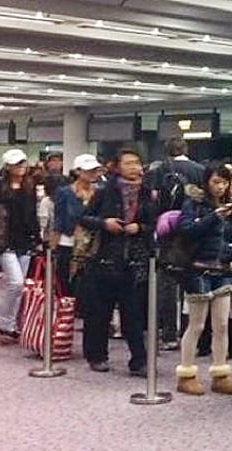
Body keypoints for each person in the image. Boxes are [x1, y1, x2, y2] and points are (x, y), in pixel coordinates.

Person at [78, 149, 154, 375]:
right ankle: (97, 355)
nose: (134, 167)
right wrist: (105, 223)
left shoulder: (148, 193)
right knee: (100, 312)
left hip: (135, 260)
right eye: (128, 163)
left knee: (134, 313)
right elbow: (84, 218)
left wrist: (139, 227)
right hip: (105, 258)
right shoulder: (104, 192)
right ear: (118, 167)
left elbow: (156, 222)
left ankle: (139, 360)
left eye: (137, 163)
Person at [174, 164, 232, 396]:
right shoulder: (193, 203)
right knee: (197, 325)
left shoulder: (229, 205)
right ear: (206, 182)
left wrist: (230, 252)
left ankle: (220, 373)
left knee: (222, 325)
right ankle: (186, 374)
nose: (220, 187)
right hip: (197, 268)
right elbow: (187, 231)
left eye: (224, 182)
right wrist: (214, 217)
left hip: (221, 268)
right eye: (215, 182)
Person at [151, 137, 204, 352]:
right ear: (186, 149)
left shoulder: (160, 169)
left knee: (167, 284)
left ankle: (169, 334)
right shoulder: (199, 170)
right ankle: (193, 332)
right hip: (193, 231)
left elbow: (154, 198)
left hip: (167, 232)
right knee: (194, 283)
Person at [0, 149, 41, 345]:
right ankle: (3, 321)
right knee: (15, 283)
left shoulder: (29, 186)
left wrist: (37, 237)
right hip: (4, 241)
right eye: (17, 164)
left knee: (20, 285)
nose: (21, 167)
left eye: (23, 163)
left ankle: (11, 324)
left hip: (25, 241)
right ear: (7, 166)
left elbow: (32, 213)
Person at [52, 154, 101, 295]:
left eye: (95, 170)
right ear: (77, 171)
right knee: (66, 286)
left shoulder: (100, 192)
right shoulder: (64, 192)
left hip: (93, 246)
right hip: (68, 243)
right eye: (88, 170)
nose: (92, 173)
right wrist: (52, 248)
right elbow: (59, 221)